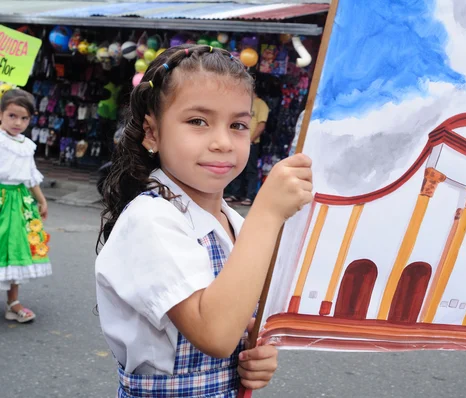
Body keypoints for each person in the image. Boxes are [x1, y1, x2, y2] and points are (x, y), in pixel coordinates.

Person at [95, 44, 313, 397]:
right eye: (198, 121)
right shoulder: (150, 218)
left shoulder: (232, 222)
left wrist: (256, 352)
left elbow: (236, 323)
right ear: (152, 133)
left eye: (238, 124)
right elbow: (214, 333)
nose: (223, 142)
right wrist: (268, 212)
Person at [0, 89, 51, 323]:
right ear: (1, 114)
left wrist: (41, 200)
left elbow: (30, 177)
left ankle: (13, 302)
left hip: (20, 204)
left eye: (24, 118)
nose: (17, 122)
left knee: (17, 250)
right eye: (12, 116)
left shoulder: (27, 146)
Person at [225, 89, 269, 206]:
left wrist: (250, 140)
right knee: (236, 166)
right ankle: (235, 193)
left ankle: (249, 196)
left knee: (251, 170)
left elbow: (261, 124)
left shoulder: (261, 104)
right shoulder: (243, 102)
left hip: (251, 143)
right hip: (237, 142)